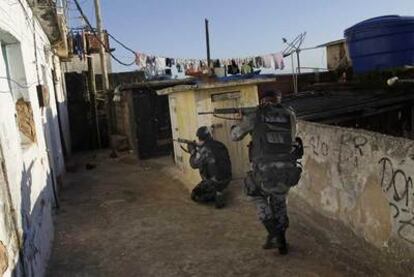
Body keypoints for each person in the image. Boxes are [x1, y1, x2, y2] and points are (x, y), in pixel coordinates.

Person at [230, 91, 303, 255]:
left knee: (254, 193)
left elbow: (234, 136)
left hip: (265, 169)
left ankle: (274, 234)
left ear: (263, 101)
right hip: (288, 168)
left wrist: (239, 121)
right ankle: (282, 241)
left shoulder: (257, 114)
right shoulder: (290, 113)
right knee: (279, 200)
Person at [188, 126, 232, 209]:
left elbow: (193, 164)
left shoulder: (203, 150)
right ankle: (219, 191)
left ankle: (216, 194)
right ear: (209, 135)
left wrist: (192, 152)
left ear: (199, 137)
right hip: (227, 179)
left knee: (194, 195)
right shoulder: (220, 144)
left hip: (213, 182)